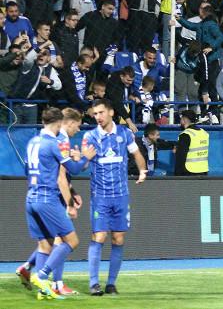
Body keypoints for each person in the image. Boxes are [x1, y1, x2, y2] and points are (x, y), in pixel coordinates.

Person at [23, 108, 96, 300]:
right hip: (47, 199)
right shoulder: (52, 143)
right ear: (58, 123)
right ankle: (41, 275)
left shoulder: (32, 142)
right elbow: (73, 168)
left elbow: (26, 170)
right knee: (71, 241)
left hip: (31, 197)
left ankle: (43, 291)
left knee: (45, 245)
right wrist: (85, 156)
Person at [82, 99, 147, 296]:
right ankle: (94, 284)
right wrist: (83, 158)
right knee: (99, 237)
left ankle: (111, 283)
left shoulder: (124, 133)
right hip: (100, 196)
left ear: (110, 112)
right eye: (95, 114)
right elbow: (83, 165)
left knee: (118, 239)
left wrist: (143, 170)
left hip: (120, 195)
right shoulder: (90, 136)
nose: (97, 117)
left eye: (101, 113)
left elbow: (136, 153)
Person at [174, 110, 210, 176]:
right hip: (203, 170)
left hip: (189, 171)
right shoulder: (204, 133)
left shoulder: (186, 134)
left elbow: (181, 157)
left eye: (181, 119)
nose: (180, 122)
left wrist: (177, 175)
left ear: (184, 120)